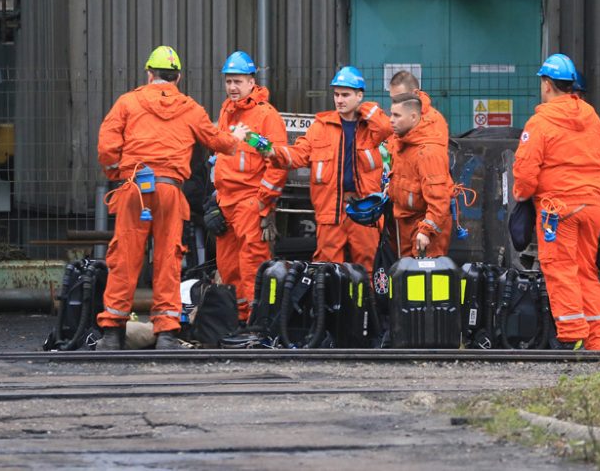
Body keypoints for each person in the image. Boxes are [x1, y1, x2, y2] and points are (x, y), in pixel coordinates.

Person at [96, 46, 247, 350]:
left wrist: (118, 172)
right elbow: (215, 140)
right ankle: (166, 334)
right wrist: (236, 139)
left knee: (124, 258)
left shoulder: (127, 102)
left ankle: (112, 333)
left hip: (135, 188)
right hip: (169, 190)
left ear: (149, 73)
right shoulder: (190, 108)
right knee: (168, 259)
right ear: (178, 76)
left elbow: (107, 146)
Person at [512, 53, 600, 351]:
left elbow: (526, 174)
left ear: (547, 84)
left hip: (558, 211)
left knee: (560, 270)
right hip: (592, 206)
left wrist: (521, 195)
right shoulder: (591, 116)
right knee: (586, 271)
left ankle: (572, 339)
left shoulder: (540, 122)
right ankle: (596, 342)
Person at [269, 66, 392, 272]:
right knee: (326, 268)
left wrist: (367, 109)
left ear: (359, 95)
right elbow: (299, 155)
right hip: (330, 212)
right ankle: (329, 305)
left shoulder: (369, 127)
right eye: (336, 94)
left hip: (364, 210)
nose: (339, 100)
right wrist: (273, 152)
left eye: (346, 94)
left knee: (368, 264)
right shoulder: (320, 127)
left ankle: (365, 304)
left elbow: (387, 128)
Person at [212, 50, 288, 323]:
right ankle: (238, 319)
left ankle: (256, 322)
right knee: (228, 265)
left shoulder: (266, 116)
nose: (232, 87)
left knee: (252, 264)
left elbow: (277, 162)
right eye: (229, 81)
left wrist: (262, 201)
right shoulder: (225, 111)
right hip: (226, 201)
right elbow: (221, 155)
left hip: (249, 201)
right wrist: (216, 198)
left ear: (251, 81)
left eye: (238, 81)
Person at [387, 93, 454, 257]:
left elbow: (439, 199)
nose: (390, 120)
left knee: (426, 279)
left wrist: (426, 231)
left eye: (396, 115)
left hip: (424, 231)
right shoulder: (403, 143)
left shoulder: (428, 152)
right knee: (406, 276)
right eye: (391, 114)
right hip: (406, 224)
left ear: (413, 117)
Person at [388, 70, 449, 147]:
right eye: (393, 99)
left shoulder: (433, 122)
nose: (395, 102)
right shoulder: (398, 116)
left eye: (400, 98)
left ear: (416, 93)